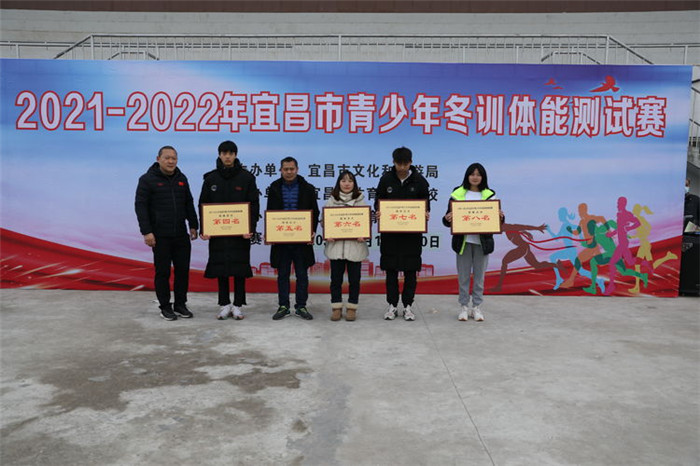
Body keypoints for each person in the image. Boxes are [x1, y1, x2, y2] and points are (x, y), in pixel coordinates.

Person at [135, 145, 199, 321]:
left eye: (174, 158)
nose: (171, 161)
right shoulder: (147, 180)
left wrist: (194, 225)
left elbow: (188, 203)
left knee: (182, 271)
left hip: (180, 234)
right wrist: (147, 232)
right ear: (158, 159)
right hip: (160, 235)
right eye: (167, 158)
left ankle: (180, 304)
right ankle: (165, 306)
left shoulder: (181, 178)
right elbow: (141, 207)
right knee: (162, 272)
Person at [199, 140, 260, 320]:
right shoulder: (210, 179)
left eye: (230, 153)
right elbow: (203, 204)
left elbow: (254, 205)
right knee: (221, 269)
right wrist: (205, 228)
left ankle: (238, 305)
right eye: (224, 153)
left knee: (239, 269)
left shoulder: (247, 178)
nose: (227, 156)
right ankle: (224, 304)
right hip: (218, 233)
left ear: (235, 155)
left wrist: (250, 228)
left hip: (240, 234)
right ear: (219, 155)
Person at [442, 163, 504, 322]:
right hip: (463, 242)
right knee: (463, 277)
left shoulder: (490, 195)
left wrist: (500, 217)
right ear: (467, 176)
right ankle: (463, 307)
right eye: (472, 174)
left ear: (483, 177)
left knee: (479, 277)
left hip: (482, 243)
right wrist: (447, 219)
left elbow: (497, 221)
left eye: (478, 174)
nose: (475, 177)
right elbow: (447, 219)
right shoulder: (457, 194)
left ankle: (476, 307)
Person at [375, 147, 430, 321]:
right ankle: (392, 305)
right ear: (393, 162)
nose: (402, 167)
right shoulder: (386, 179)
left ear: (411, 162)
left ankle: (408, 306)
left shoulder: (420, 181)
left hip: (411, 236)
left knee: (410, 271)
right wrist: (379, 212)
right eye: (399, 164)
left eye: (405, 164)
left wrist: (425, 213)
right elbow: (378, 201)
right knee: (391, 270)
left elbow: (426, 204)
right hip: (390, 235)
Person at [267, 156, 320, 321]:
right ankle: (283, 306)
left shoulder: (308, 188)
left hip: (301, 240)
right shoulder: (274, 187)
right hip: (281, 240)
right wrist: (271, 232)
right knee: (282, 275)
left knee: (302, 275)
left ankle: (301, 306)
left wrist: (312, 231)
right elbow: (270, 213)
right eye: (286, 169)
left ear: (297, 169)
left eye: (291, 169)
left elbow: (315, 211)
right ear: (281, 170)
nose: (289, 172)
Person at [323, 170, 370, 321]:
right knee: (335, 280)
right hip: (336, 248)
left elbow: (366, 222)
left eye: (350, 181)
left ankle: (352, 308)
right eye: (343, 181)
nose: (347, 184)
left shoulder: (360, 201)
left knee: (354, 281)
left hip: (355, 248)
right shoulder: (331, 200)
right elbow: (324, 221)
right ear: (338, 183)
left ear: (354, 184)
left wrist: (364, 234)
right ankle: (336, 307)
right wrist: (328, 232)